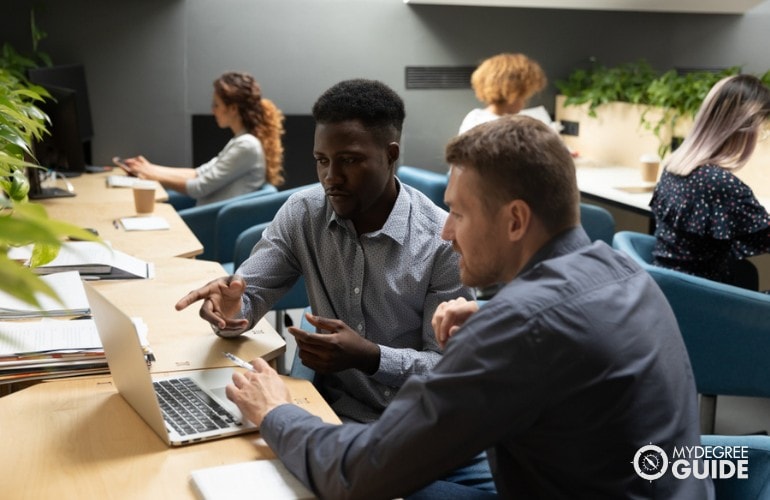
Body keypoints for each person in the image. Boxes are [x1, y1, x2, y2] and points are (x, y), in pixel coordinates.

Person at [219, 115, 712, 499]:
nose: (445, 231)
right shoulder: (625, 274)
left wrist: (274, 411)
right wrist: (499, 319)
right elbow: (573, 342)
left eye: (458, 212)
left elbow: (357, 474)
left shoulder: (524, 328)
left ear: (515, 220)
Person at [175, 78, 474, 424]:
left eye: (349, 160)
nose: (331, 177)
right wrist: (230, 309)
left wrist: (371, 357)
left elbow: (449, 369)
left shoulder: (442, 242)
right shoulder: (304, 213)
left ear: (390, 156)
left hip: (409, 424)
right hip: (326, 410)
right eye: (322, 160)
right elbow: (247, 296)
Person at [650, 74, 770, 289]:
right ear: (742, 129)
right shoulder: (721, 184)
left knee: (746, 271)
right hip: (704, 298)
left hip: (667, 288)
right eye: (760, 130)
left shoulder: (674, 166)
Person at [124, 71, 285, 206]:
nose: (212, 111)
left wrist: (151, 175)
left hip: (208, 223)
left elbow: (198, 187)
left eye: (216, 105)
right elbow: (198, 173)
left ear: (233, 108)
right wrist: (148, 168)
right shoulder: (240, 141)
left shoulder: (247, 145)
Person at [459, 52, 548, 134]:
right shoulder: (478, 124)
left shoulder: (474, 119)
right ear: (514, 92)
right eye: (524, 96)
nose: (525, 101)